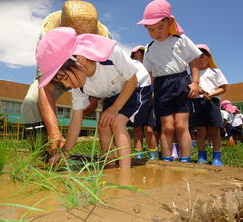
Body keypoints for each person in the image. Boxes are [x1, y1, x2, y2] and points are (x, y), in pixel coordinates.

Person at [36, 27, 147, 168]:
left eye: (64, 78)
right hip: (114, 93)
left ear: (79, 59)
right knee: (103, 124)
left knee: (116, 122)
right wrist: (64, 152)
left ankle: (125, 174)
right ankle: (111, 165)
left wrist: (114, 109)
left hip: (138, 85)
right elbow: (75, 123)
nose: (65, 85)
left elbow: (132, 81)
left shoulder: (111, 55)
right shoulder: (79, 87)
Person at [21, 1, 110, 160]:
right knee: (31, 102)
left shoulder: (105, 41)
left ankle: (112, 154)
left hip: (93, 75)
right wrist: (53, 131)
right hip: (59, 74)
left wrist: (94, 97)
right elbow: (45, 85)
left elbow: (105, 76)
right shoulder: (46, 39)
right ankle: (43, 155)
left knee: (112, 106)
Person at [137, 0, 202, 162]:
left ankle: (185, 160)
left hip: (181, 82)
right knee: (167, 127)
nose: (156, 33)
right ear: (145, 29)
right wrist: (150, 93)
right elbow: (150, 75)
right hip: (161, 87)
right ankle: (167, 159)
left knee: (181, 126)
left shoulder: (181, 40)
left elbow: (193, 62)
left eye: (160, 27)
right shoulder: (150, 48)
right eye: (151, 30)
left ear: (170, 22)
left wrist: (195, 82)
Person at [191, 44, 228, 166]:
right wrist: (198, 92)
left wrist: (211, 94)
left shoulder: (215, 71)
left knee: (214, 130)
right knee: (200, 131)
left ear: (208, 57)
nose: (199, 59)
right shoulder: (192, 74)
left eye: (202, 56)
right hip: (198, 102)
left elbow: (223, 88)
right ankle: (201, 156)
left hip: (212, 102)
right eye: (196, 57)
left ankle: (217, 157)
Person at [128, 45, 158, 160]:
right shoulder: (130, 67)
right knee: (137, 129)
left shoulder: (150, 67)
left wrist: (153, 94)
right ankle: (138, 154)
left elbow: (153, 80)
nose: (138, 58)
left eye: (140, 56)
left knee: (149, 129)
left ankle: (153, 154)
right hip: (135, 100)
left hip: (149, 99)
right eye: (135, 56)